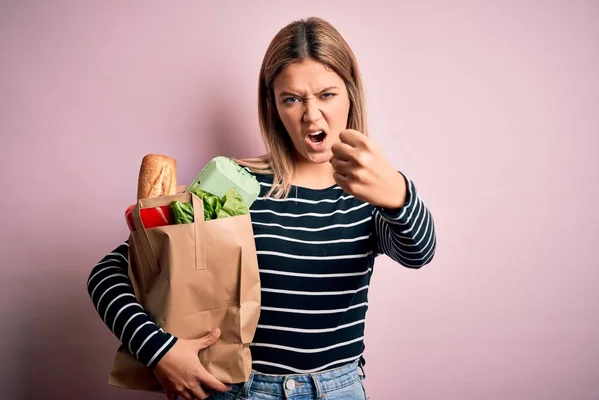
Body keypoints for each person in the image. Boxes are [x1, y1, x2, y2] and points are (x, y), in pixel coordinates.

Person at [86, 16, 436, 400]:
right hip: (243, 390)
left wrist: (400, 193)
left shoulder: (372, 189)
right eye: (292, 99)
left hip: (340, 389)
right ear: (273, 106)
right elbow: (111, 272)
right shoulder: (235, 183)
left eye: (326, 94)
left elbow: (417, 253)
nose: (311, 114)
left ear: (351, 94)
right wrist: (158, 351)